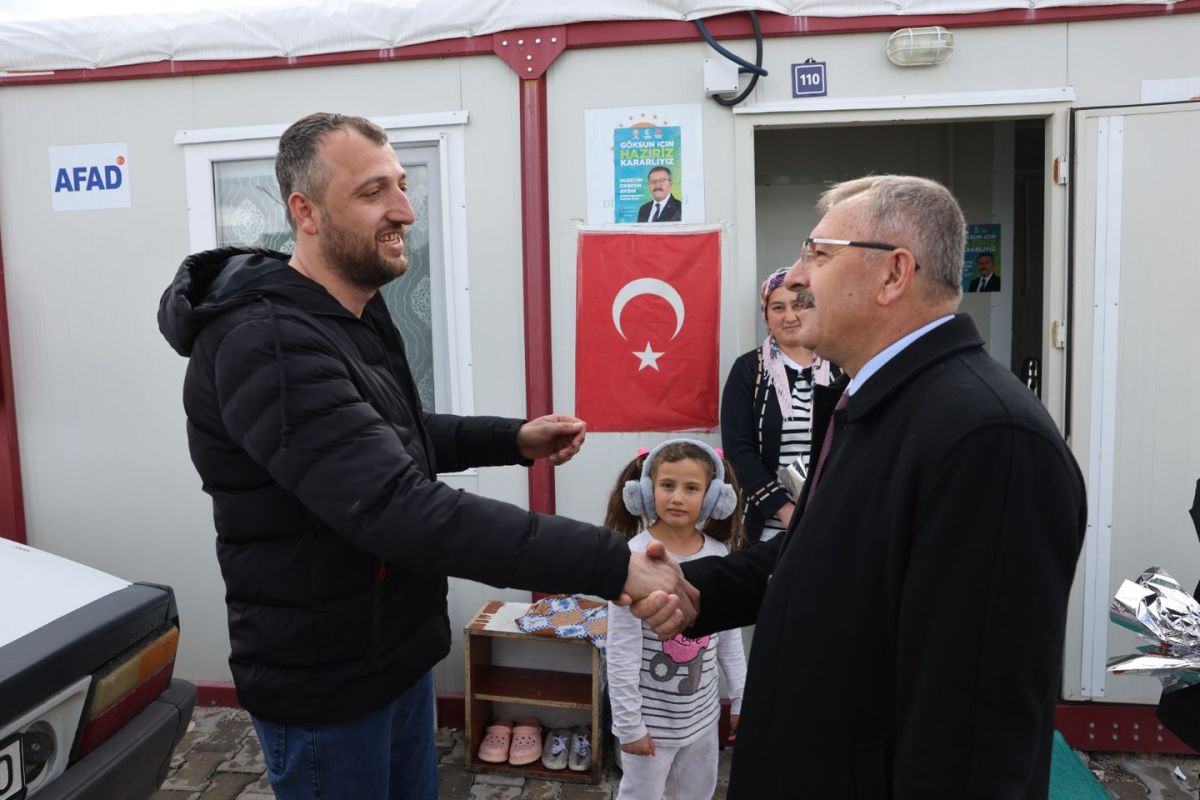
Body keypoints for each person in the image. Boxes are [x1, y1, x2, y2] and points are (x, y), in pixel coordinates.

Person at [157, 112, 691, 800]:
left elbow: (388, 434)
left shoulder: (350, 311)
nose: (405, 210)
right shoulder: (267, 343)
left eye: (403, 186)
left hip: (396, 655)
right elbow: (396, 506)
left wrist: (510, 438)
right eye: (374, 191)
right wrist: (608, 562)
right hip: (330, 685)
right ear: (305, 211)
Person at [634, 175, 1087, 799]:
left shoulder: (990, 439)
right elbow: (822, 559)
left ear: (892, 274)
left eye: (816, 254)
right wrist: (692, 588)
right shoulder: (877, 400)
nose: (795, 278)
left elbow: (977, 727)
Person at [604, 439, 747, 800]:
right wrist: (629, 726)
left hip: (701, 721)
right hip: (650, 723)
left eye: (691, 488)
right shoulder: (633, 558)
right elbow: (620, 653)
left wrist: (742, 699)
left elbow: (729, 639)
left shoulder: (719, 555)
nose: (678, 497)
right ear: (647, 492)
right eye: (668, 485)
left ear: (713, 497)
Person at [720, 267, 838, 544]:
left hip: (834, 518)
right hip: (769, 527)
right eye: (778, 307)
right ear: (766, 315)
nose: (790, 317)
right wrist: (785, 511)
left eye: (799, 305)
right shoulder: (750, 370)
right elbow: (738, 452)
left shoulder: (841, 367)